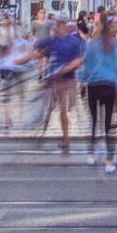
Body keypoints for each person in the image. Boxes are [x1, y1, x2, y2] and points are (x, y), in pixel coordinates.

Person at [20, 14, 85, 152]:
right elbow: (42, 52)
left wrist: (68, 68)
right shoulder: (53, 40)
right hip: (53, 79)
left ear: (65, 25)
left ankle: (66, 137)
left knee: (63, 110)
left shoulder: (73, 41)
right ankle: (42, 129)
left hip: (67, 79)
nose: (58, 26)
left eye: (61, 23)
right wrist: (24, 59)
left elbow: (79, 60)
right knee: (47, 107)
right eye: (57, 23)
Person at [79, 15, 117, 173]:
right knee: (109, 124)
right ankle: (109, 161)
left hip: (94, 85)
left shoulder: (92, 45)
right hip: (110, 85)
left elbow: (86, 66)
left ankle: (91, 155)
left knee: (93, 121)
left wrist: (82, 81)